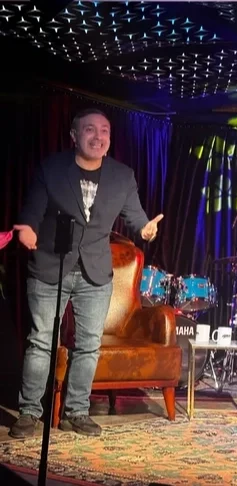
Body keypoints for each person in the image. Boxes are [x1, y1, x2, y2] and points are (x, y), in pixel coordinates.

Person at [10, 108, 163, 438]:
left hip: (95, 272)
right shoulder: (52, 169)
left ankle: (76, 412)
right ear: (74, 135)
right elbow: (32, 210)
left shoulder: (122, 176)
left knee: (89, 346)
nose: (98, 136)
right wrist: (29, 229)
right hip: (50, 265)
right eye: (90, 129)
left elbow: (136, 218)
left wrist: (146, 230)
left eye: (104, 130)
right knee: (41, 342)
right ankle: (29, 412)